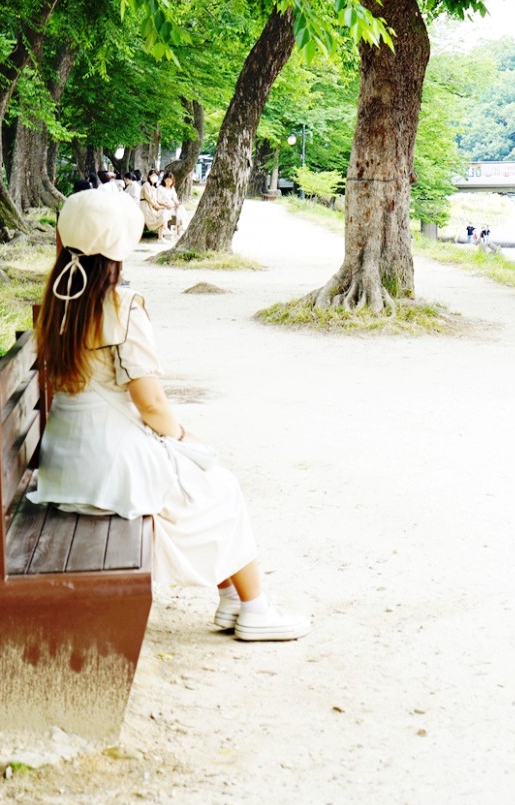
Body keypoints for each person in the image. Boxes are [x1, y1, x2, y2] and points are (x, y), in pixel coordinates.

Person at [31, 188, 308, 642]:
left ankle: (233, 599)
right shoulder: (122, 306)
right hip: (111, 467)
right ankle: (255, 608)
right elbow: (151, 403)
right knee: (219, 482)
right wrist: (182, 435)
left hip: (65, 467)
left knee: (199, 483)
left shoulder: (58, 303)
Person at [139, 168, 171, 240]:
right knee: (160, 215)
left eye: (156, 175)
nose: (154, 177)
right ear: (149, 176)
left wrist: (160, 206)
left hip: (152, 206)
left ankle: (161, 236)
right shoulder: (146, 185)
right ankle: (162, 234)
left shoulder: (154, 187)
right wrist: (157, 206)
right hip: (146, 207)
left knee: (164, 212)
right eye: (153, 175)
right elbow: (148, 198)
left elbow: (155, 199)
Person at [160, 171, 189, 237]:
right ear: (164, 180)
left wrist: (178, 204)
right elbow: (158, 200)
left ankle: (180, 228)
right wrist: (166, 205)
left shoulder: (172, 188)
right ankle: (176, 230)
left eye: (170, 181)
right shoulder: (160, 188)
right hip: (164, 206)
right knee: (173, 213)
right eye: (167, 180)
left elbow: (175, 198)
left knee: (180, 209)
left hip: (171, 205)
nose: (169, 182)